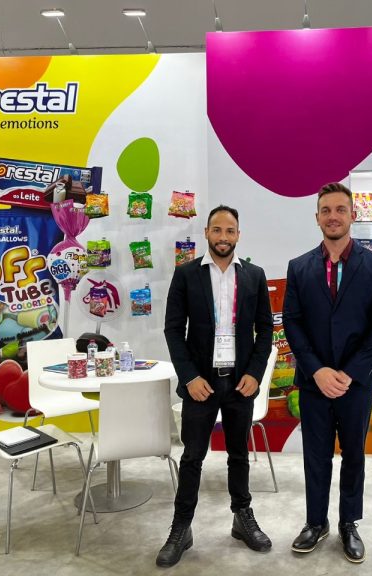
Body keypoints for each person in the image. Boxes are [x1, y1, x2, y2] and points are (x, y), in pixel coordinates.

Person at [283, 182, 372, 564]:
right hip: (313, 382)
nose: (333, 216)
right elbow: (293, 323)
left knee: (354, 455)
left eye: (340, 209)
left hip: (356, 382)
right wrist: (316, 371)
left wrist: (349, 372)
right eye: (326, 210)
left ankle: (349, 523)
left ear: (352, 215)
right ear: (316, 217)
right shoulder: (299, 267)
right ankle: (316, 523)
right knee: (315, 456)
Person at [158, 205, 274, 567]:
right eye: (217, 230)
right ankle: (181, 527)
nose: (224, 237)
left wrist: (255, 373)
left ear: (238, 235)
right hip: (201, 384)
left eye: (230, 231)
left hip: (240, 384)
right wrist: (189, 377)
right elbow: (173, 330)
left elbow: (265, 330)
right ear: (207, 232)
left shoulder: (254, 276)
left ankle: (242, 517)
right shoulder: (186, 274)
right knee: (192, 456)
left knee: (239, 454)